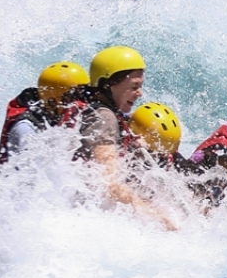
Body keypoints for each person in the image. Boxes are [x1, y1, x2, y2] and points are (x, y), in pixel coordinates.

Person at [59, 46, 178, 230]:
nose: (140, 93)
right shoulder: (104, 118)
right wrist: (156, 216)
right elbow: (109, 185)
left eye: (141, 86)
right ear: (109, 84)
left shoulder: (91, 107)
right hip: (84, 215)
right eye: (134, 87)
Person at [0, 61, 88, 164]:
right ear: (52, 102)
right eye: (73, 96)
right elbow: (28, 174)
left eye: (83, 95)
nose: (81, 102)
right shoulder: (25, 128)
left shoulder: (58, 117)